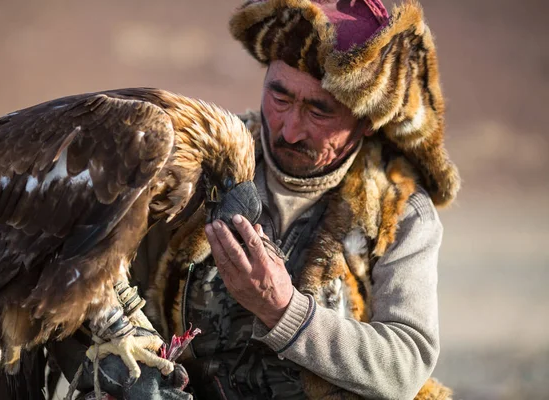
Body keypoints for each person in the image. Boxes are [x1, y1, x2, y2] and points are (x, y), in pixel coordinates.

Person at [51, 0, 460, 399]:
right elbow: (80, 284)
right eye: (280, 98)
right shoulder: (193, 167)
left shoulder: (400, 212)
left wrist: (284, 310)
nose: (290, 129)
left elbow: (404, 368)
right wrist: (121, 378)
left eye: (319, 111)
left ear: (368, 120)